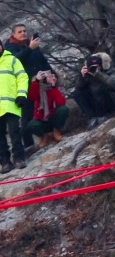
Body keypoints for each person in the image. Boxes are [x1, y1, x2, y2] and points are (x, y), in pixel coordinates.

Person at [71, 52, 115, 125]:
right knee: (77, 93)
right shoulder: (87, 74)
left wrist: (98, 74)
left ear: (101, 65)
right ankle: (92, 118)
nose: (94, 68)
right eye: (92, 67)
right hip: (96, 102)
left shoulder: (110, 70)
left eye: (96, 66)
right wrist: (81, 76)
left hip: (112, 100)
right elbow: (79, 88)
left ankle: (102, 116)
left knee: (99, 89)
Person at [24, 70, 67, 150]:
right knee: (31, 125)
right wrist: (37, 80)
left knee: (63, 109)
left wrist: (53, 87)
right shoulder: (40, 89)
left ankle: (56, 131)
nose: (52, 78)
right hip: (42, 119)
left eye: (53, 76)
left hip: (54, 118)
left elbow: (61, 103)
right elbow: (32, 96)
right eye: (50, 76)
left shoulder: (57, 88)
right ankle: (43, 136)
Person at [0, 42, 27, 172]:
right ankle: (5, 162)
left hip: (12, 103)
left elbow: (22, 77)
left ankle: (19, 158)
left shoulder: (12, 59)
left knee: (14, 131)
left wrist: (21, 94)